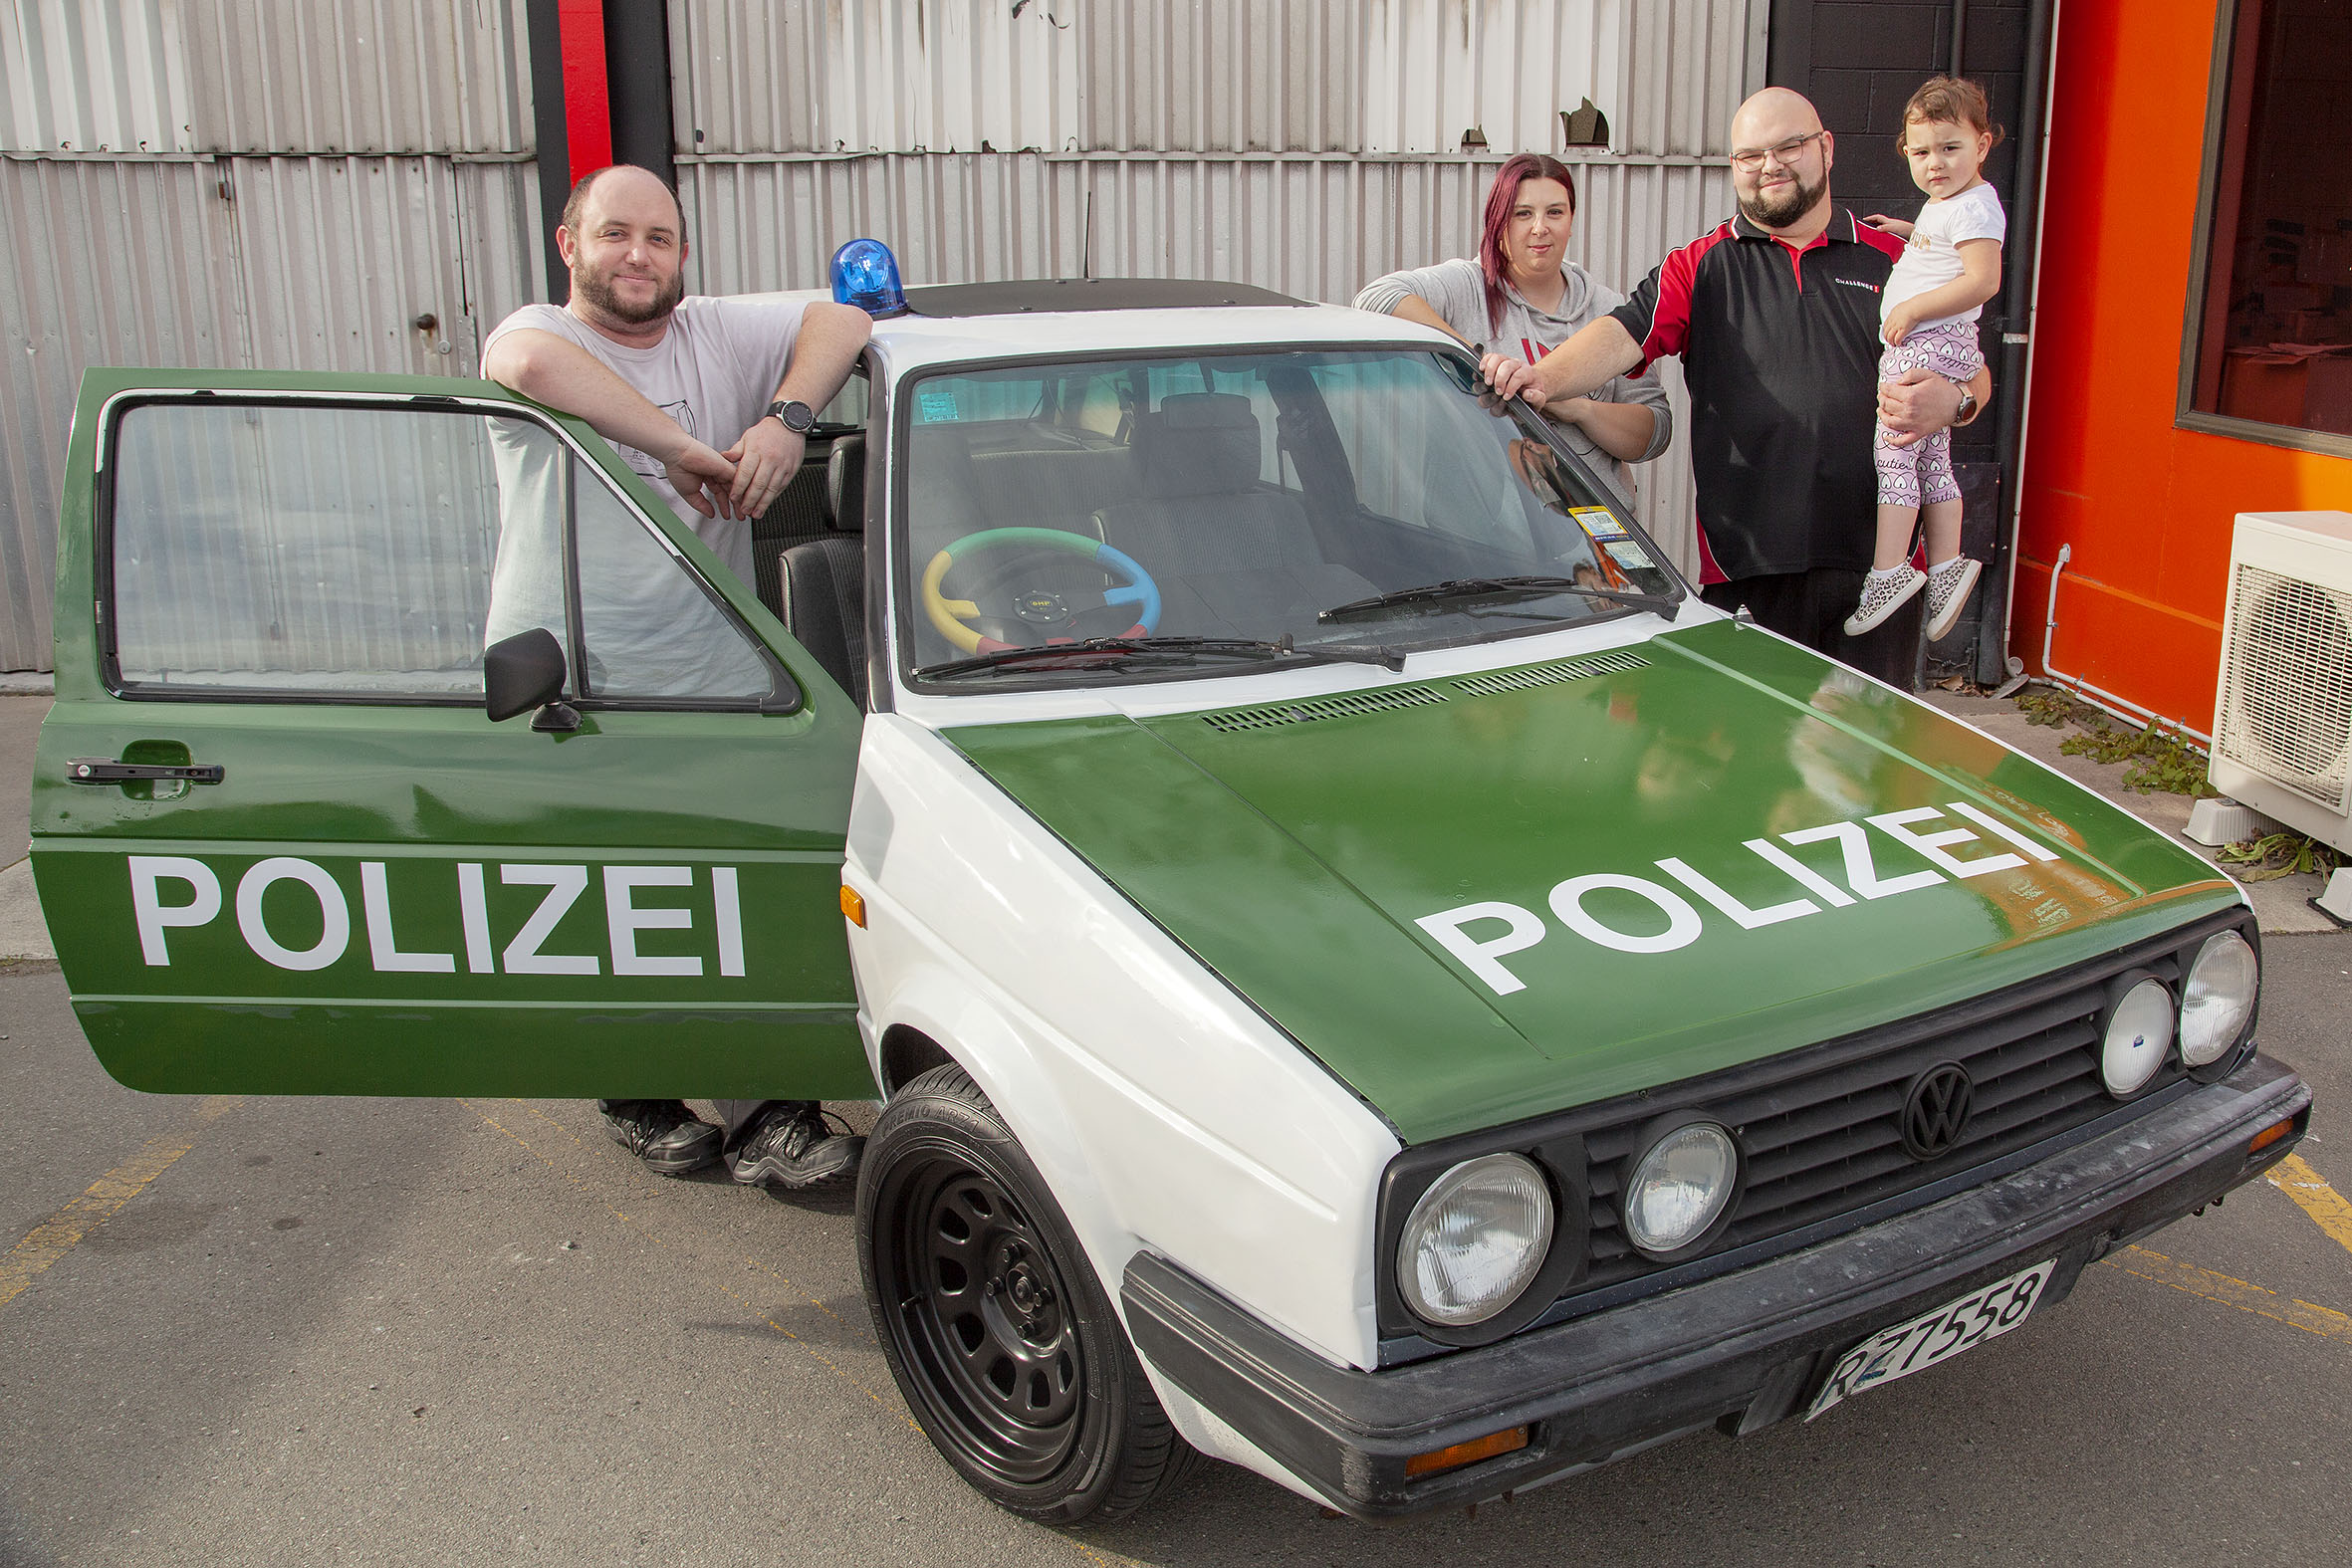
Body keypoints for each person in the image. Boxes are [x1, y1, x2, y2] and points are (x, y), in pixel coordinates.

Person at [481, 162, 870, 1190]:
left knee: (725, 895)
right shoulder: (542, 333)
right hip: (565, 678)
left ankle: (770, 1119)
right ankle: (635, 1093)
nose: (637, 256)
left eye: (658, 237)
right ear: (570, 246)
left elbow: (845, 318)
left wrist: (784, 420)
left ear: (682, 253)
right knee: (601, 901)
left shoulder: (714, 330)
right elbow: (526, 371)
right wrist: (687, 450)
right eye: (614, 235)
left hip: (714, 668)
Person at [1481, 89, 1992, 687]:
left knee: (1864, 767)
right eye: (1750, 155)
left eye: (1789, 147)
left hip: (1883, 573)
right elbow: (1621, 335)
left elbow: (1971, 365)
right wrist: (1540, 377)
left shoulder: (1898, 259)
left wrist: (1954, 403)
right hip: (1747, 573)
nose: (1769, 165)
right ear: (1733, 167)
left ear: (1826, 148)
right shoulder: (1699, 265)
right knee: (1755, 764)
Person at [1352, 153, 1672, 504]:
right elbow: (1377, 296)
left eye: (1555, 212)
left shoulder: (1607, 311)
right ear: (1499, 220)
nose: (1540, 227)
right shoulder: (1469, 286)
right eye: (1523, 213)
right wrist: (1481, 362)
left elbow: (1654, 432)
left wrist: (1577, 408)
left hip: (1594, 538)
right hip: (1490, 543)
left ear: (1571, 219)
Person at [1844, 77, 2006, 642]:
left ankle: (1889, 574)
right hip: (1939, 344)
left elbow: (1984, 279)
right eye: (1921, 152)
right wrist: (1911, 235)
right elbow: (1948, 250)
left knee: (1894, 451)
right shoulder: (1952, 205)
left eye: (1949, 148)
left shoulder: (1976, 208)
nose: (1934, 163)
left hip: (1927, 343)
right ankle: (1947, 565)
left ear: (1982, 146)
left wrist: (1913, 309)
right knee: (1932, 461)